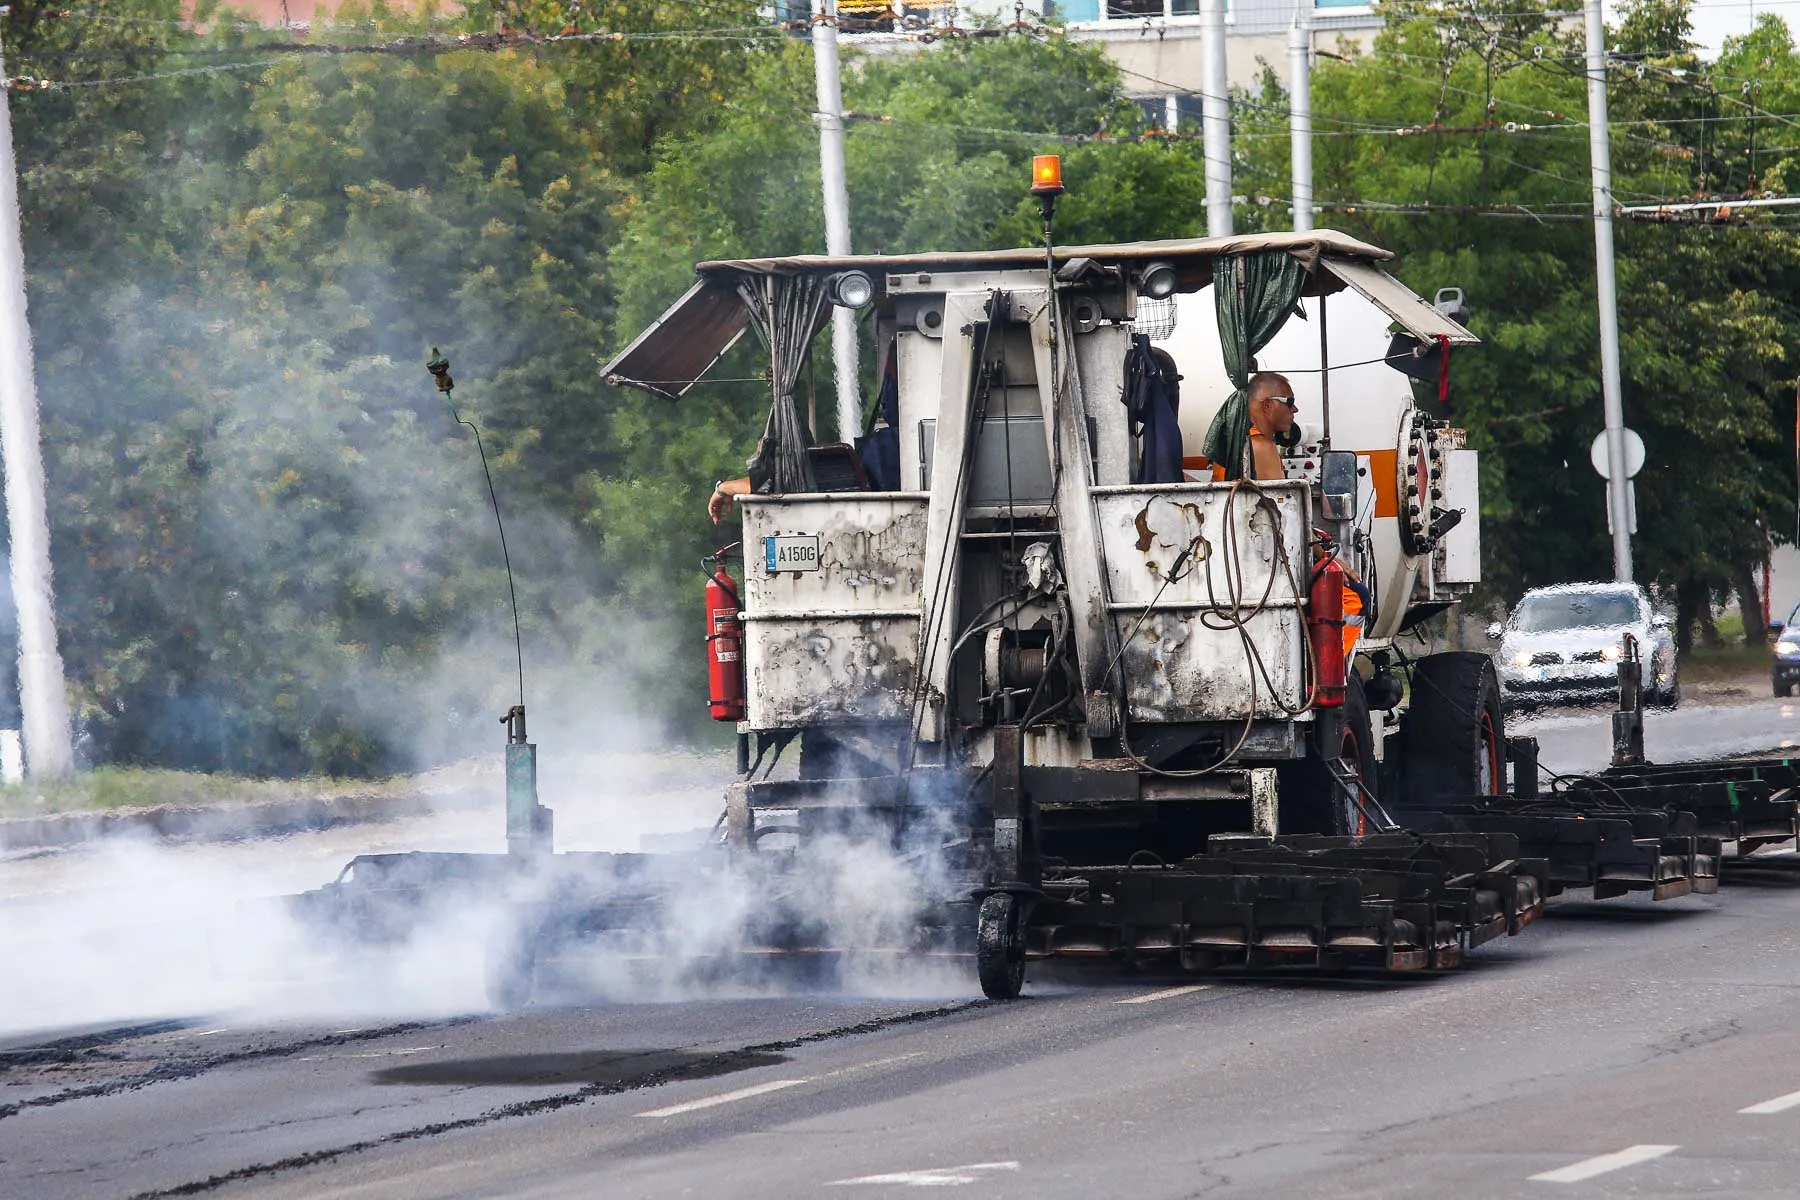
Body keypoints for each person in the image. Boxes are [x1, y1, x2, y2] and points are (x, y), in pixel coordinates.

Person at [1244, 371, 1299, 483]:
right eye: (1289, 402)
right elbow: (1277, 499)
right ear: (1267, 406)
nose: (1294, 409)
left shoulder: (1240, 440)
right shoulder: (1261, 447)